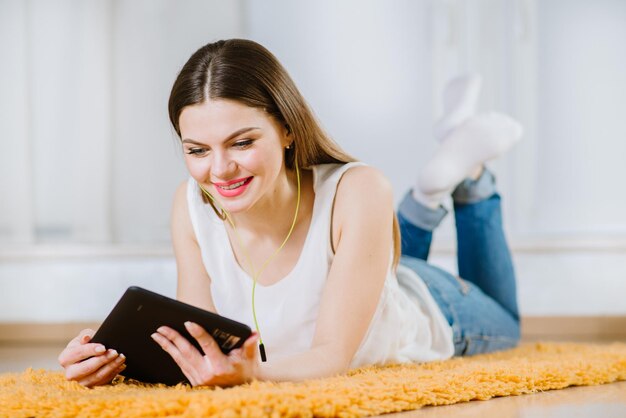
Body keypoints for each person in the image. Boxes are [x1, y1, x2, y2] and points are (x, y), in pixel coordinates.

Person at [58, 39, 522, 388]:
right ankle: (429, 189)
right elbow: (197, 334)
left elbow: (333, 355)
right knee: (370, 257)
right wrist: (111, 358)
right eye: (197, 149)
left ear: (285, 128)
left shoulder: (359, 189)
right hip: (362, 271)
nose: (219, 170)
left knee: (508, 322)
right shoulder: (191, 204)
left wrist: (252, 375)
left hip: (429, 306)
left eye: (242, 142)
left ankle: (469, 178)